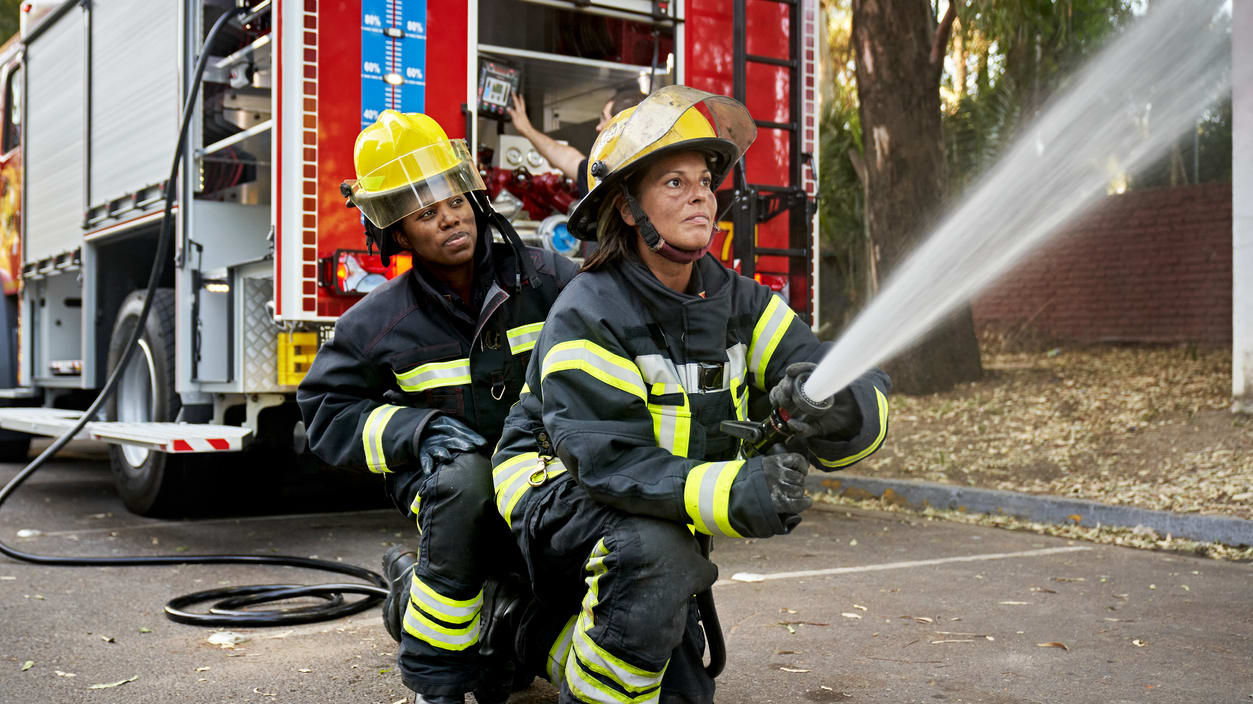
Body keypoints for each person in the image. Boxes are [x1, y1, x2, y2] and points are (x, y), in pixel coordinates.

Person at [489, 86, 892, 704]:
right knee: (656, 560)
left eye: (704, 179)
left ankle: (540, 628)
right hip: (554, 491)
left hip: (651, 505)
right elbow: (607, 460)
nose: (702, 193)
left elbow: (842, 372)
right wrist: (732, 492)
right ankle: (525, 631)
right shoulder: (589, 309)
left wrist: (839, 405)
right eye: (674, 183)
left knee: (677, 688)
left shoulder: (738, 299)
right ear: (627, 209)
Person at [296, 109, 578, 704]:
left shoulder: (550, 279)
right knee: (467, 482)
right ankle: (436, 682)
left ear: (473, 196)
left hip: (543, 472)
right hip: (450, 481)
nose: (448, 217)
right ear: (397, 233)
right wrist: (416, 431)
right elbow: (325, 408)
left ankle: (481, 611)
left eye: (452, 199)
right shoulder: (378, 321)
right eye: (425, 212)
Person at [506, 87, 646, 197]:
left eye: (604, 119)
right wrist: (526, 129)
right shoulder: (599, 174)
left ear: (622, 128)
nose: (598, 127)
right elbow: (566, 158)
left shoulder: (628, 182)